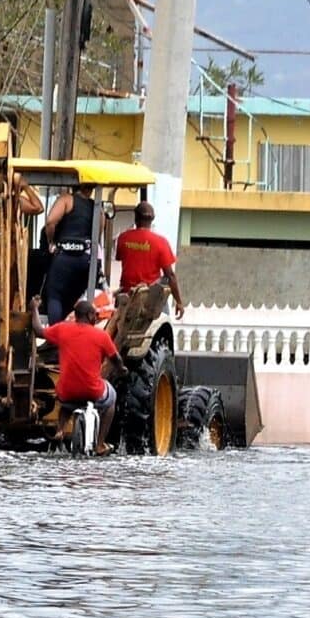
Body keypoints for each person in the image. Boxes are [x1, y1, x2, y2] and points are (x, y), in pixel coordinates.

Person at [40, 296, 123, 449]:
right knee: (112, 398)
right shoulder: (101, 336)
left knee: (65, 404)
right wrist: (122, 369)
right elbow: (116, 359)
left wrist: (33, 309)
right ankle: (99, 444)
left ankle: (60, 431)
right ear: (90, 315)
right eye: (95, 315)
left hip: (67, 392)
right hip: (92, 391)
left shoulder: (62, 329)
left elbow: (38, 331)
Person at [39, 185, 101, 324]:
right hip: (85, 258)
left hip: (64, 255)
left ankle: (56, 333)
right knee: (76, 296)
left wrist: (51, 241)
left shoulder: (67, 200)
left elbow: (50, 221)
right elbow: (100, 228)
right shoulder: (95, 206)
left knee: (54, 294)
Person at [112, 200, 185, 316]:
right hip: (150, 299)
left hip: (126, 296)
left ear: (135, 218)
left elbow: (120, 257)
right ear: (152, 220)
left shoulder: (123, 238)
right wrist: (179, 302)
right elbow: (170, 275)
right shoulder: (161, 242)